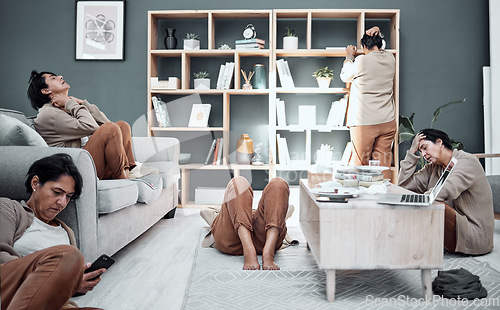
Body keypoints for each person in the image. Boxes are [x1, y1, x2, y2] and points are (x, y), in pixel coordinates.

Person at [1, 153, 105, 309]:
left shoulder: (66, 232)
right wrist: (61, 280)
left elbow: (60, 291)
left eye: (68, 196)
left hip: (50, 304)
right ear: (35, 183)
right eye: (57, 192)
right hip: (9, 292)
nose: (62, 202)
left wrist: (76, 283)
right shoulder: (9, 209)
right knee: (68, 255)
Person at [27, 70, 154, 180]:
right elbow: (92, 127)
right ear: (45, 90)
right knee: (111, 129)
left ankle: (130, 169)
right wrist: (72, 104)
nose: (60, 76)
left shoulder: (63, 108)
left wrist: (82, 103)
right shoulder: (50, 114)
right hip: (76, 168)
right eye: (53, 78)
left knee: (122, 126)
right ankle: (123, 178)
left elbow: (106, 123)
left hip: (88, 161)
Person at [399, 128, 495, 255]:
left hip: (474, 235)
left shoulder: (467, 162)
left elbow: (445, 190)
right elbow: (402, 186)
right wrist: (412, 152)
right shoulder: (433, 168)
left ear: (439, 142)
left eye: (425, 147)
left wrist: (417, 201)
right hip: (455, 229)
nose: (423, 154)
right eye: (420, 150)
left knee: (432, 203)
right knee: (416, 199)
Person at [340, 26, 396, 177]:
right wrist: (378, 30)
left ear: (364, 47)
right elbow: (381, 50)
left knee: (359, 166)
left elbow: (345, 76)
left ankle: (359, 200)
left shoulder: (361, 61)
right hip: (387, 121)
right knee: (383, 167)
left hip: (364, 123)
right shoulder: (391, 58)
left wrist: (349, 57)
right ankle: (383, 198)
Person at [208, 176, 289, 270]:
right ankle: (249, 251)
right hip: (233, 240)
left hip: (264, 239)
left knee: (279, 183)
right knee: (239, 182)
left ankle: (268, 252)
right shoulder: (221, 214)